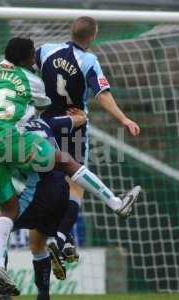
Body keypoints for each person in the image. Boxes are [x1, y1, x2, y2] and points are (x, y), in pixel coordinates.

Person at [0, 37, 141, 295]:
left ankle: (1, 263)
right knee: (66, 161)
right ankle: (110, 206)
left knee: (7, 211)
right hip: (13, 142)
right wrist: (77, 119)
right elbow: (47, 113)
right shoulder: (33, 86)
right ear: (27, 59)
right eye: (32, 59)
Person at [35, 16, 141, 254]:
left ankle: (65, 237)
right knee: (75, 184)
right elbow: (102, 94)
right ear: (92, 36)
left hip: (48, 122)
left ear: (71, 32)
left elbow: (27, 70)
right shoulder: (89, 60)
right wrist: (124, 119)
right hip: (75, 125)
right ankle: (63, 237)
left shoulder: (45, 50)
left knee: (53, 181)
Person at [0, 111, 86, 300]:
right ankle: (44, 293)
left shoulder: (12, 132)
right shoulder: (47, 122)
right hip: (60, 188)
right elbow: (80, 119)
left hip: (39, 191)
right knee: (37, 242)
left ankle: (2, 291)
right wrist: (80, 114)